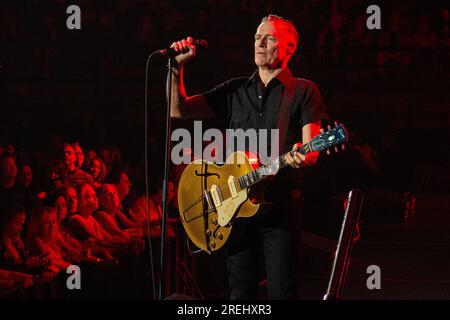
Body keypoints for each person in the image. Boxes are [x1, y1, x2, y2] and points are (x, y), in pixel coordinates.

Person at [167, 14, 328, 299]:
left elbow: (311, 146)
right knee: (240, 296)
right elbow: (179, 110)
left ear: (289, 48)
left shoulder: (303, 90)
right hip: (236, 208)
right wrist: (175, 69)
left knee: (282, 293)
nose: (260, 42)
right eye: (256, 37)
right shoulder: (235, 90)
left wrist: (303, 155)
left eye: (270, 37)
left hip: (279, 210)